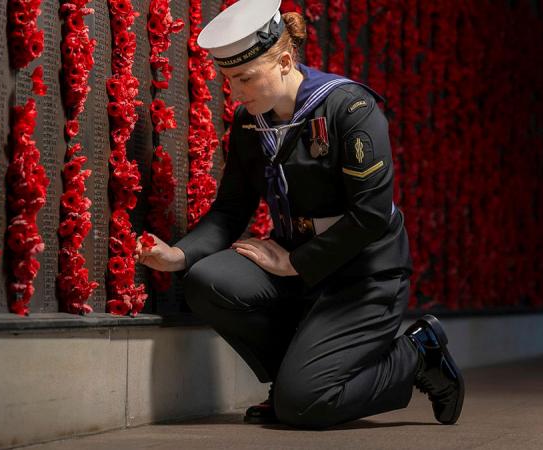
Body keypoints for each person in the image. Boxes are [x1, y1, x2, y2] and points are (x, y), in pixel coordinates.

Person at [136, 0, 464, 429]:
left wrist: (293, 262)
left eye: (245, 78)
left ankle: (418, 354)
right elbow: (231, 209)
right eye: (229, 79)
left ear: (286, 61)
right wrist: (178, 257)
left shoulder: (351, 110)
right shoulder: (250, 123)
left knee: (303, 406)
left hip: (362, 276)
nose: (235, 92)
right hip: (300, 272)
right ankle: (294, 377)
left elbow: (370, 215)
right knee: (206, 281)